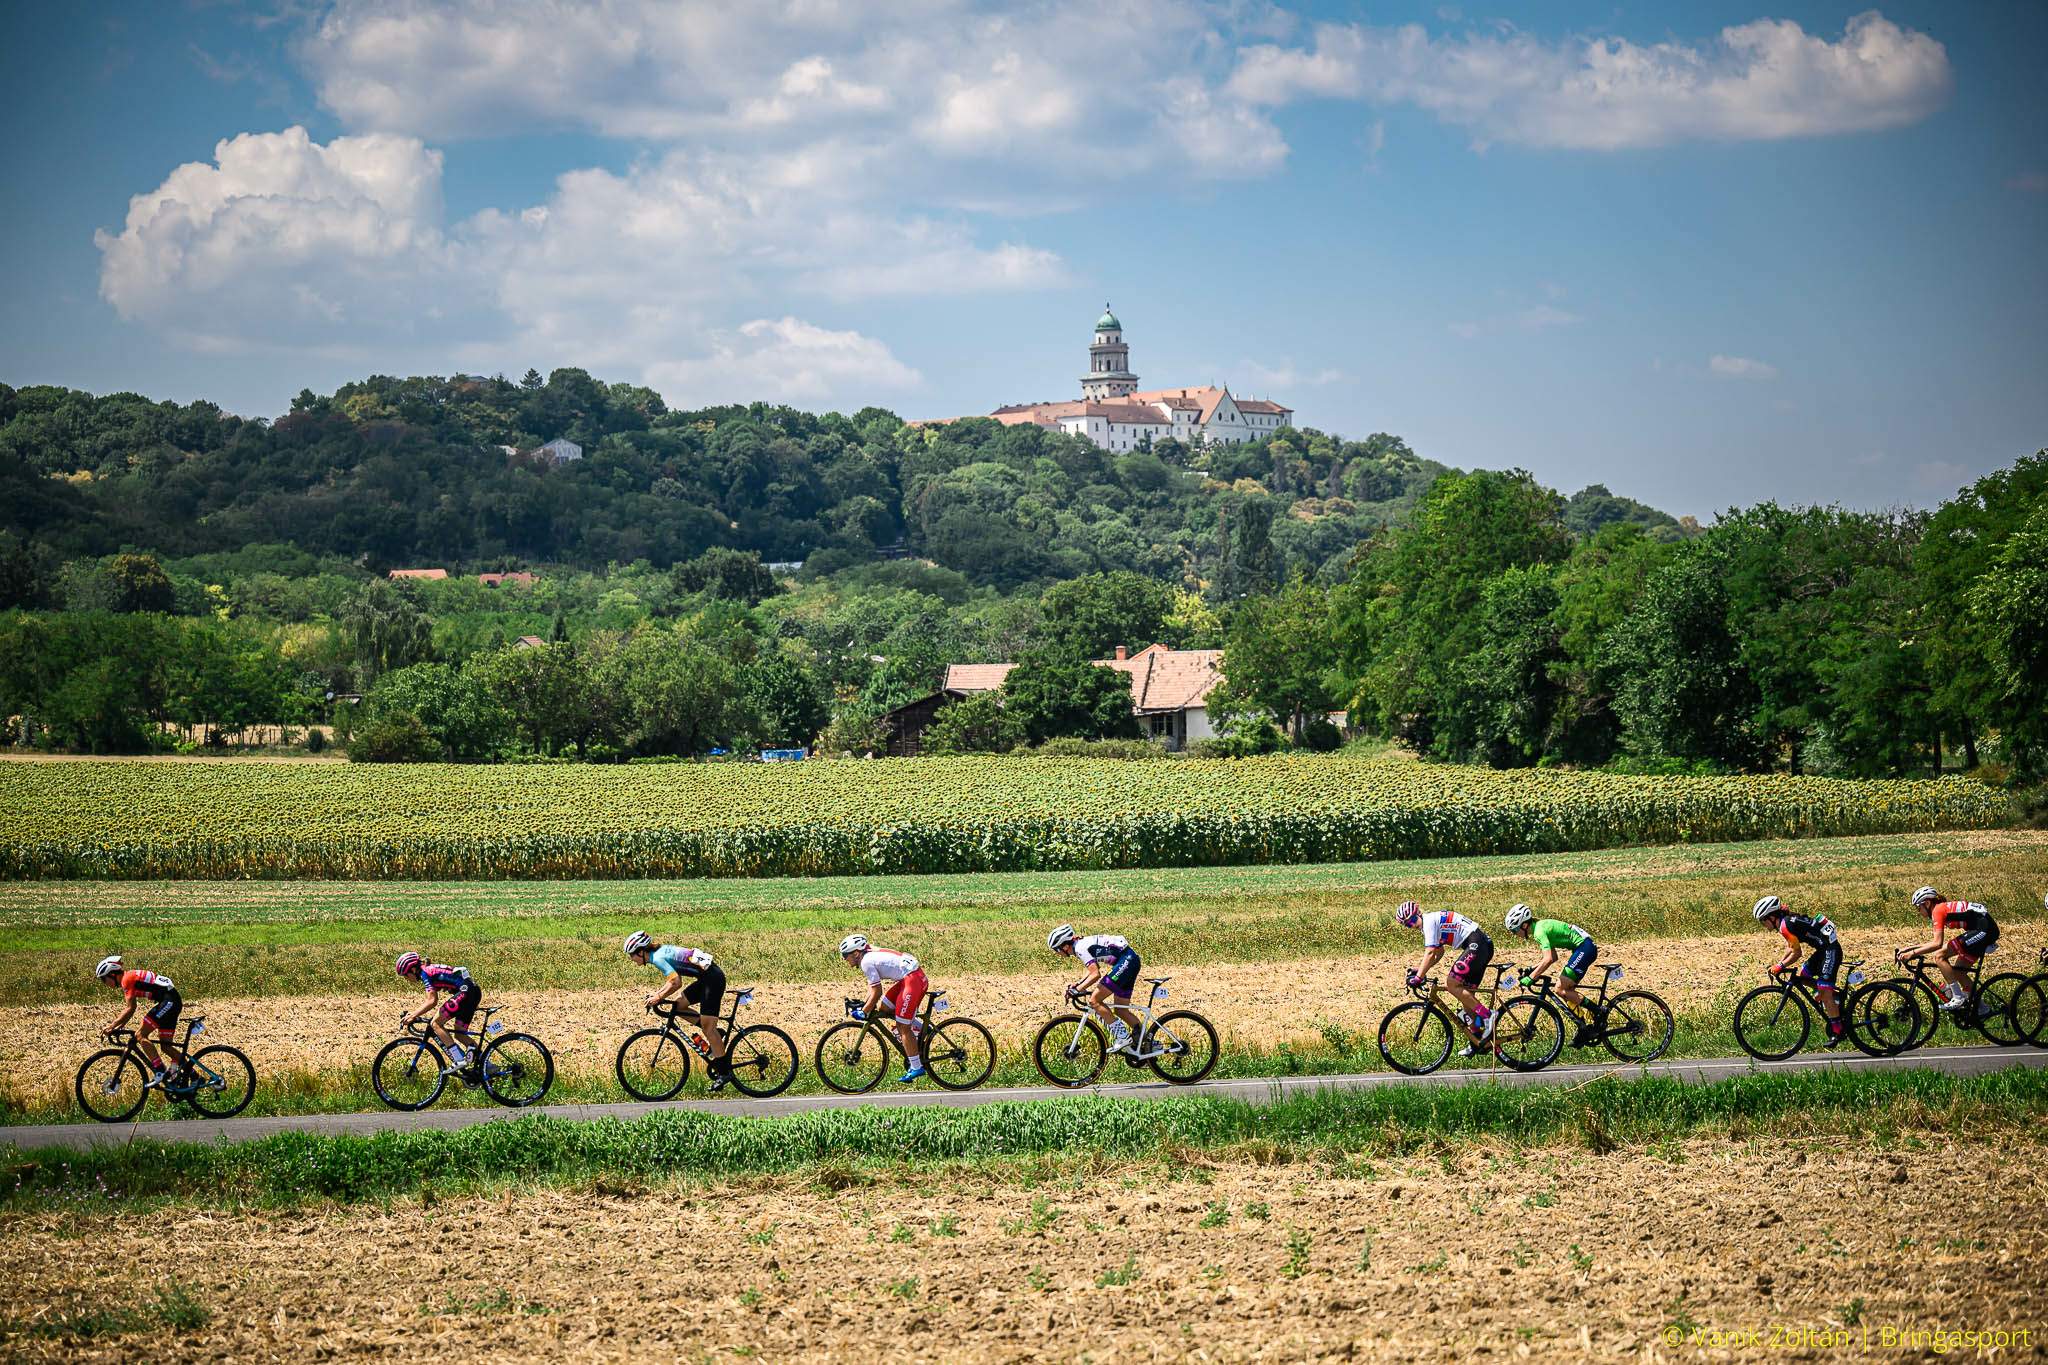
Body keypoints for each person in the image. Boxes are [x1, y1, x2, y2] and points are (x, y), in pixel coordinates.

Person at [624, 930, 732, 1088]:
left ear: (640, 952)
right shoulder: (657, 954)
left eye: (631, 955)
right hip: (706, 977)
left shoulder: (657, 958)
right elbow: (674, 980)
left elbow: (676, 982)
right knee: (679, 1005)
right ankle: (716, 1034)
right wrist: (658, 994)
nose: (631, 959)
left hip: (713, 980)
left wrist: (658, 997)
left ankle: (724, 1072)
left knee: (709, 1028)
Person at [1396, 900, 1495, 1049]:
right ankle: (1478, 1040)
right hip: (1481, 945)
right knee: (1465, 995)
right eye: (1408, 924)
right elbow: (1438, 953)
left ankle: (1488, 1016)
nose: (1413, 925)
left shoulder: (1429, 922)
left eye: (1413, 920)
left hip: (1476, 944)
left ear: (1419, 913)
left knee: (1452, 983)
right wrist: (1420, 969)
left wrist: (1418, 977)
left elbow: (1430, 953)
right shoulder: (1429, 923)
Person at [1752, 896, 1847, 1048]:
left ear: (1771, 917)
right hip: (1823, 950)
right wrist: (1779, 964)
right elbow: (1791, 947)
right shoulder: (1785, 923)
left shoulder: (1785, 925)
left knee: (1824, 990)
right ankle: (1833, 998)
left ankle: (1838, 1030)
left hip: (1830, 950)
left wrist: (1780, 966)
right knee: (1804, 976)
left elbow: (1797, 953)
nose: (1763, 925)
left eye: (1763, 921)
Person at [1046, 924, 1153, 1056]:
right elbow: (1092, 968)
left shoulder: (1079, 948)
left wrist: (1078, 989)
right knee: (1121, 1010)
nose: (1057, 953)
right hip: (1129, 960)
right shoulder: (1079, 945)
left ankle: (1123, 1037)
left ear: (1065, 946)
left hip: (1126, 961)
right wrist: (1078, 984)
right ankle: (1148, 1043)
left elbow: (1095, 974)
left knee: (1094, 1001)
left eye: (1056, 950)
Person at [1504, 904, 1599, 1043]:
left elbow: (1548, 959)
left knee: (1560, 989)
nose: (1514, 934)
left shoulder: (1539, 932)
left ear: (1524, 925)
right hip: (1584, 948)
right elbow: (1554, 957)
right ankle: (1584, 1027)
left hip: (1584, 948)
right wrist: (1532, 969)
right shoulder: (1540, 926)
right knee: (1567, 991)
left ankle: (1598, 1011)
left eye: (1514, 930)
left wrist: (1531, 977)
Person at [839, 934, 927, 1083]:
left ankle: (916, 1067)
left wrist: (864, 1011)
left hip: (913, 980)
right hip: (909, 977)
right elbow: (872, 988)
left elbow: (877, 992)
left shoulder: (865, 962)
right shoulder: (867, 954)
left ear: (856, 953)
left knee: (903, 1026)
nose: (844, 959)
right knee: (884, 1007)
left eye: (845, 955)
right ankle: (919, 1027)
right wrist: (865, 1004)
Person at [1899, 887, 1999, 1014]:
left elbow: (1937, 944)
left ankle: (1958, 997)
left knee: (1939, 956)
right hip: (1982, 929)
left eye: (1919, 908)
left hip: (1984, 930)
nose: (1918, 911)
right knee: (1958, 972)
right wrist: (1908, 949)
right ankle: (1983, 1009)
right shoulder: (1939, 909)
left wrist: (1912, 954)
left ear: (1927, 903)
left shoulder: (1937, 910)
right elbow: (1935, 942)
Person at [94, 955, 188, 1088]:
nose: (105, 984)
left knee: (140, 1035)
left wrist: (112, 1026)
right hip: (171, 1001)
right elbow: (130, 1010)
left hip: (168, 1002)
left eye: (104, 979)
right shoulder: (129, 976)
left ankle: (160, 1071)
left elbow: (130, 1008)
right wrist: (120, 1025)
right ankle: (196, 1077)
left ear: (112, 974)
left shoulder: (126, 980)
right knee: (166, 1047)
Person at [396, 951, 484, 1074]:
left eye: (406, 975)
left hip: (466, 992)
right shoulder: (428, 970)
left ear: (413, 969)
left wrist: (413, 1015)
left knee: (435, 1023)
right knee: (460, 1034)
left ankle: (458, 1059)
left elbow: (432, 1001)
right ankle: (487, 1066)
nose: (406, 979)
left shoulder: (425, 973)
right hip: (472, 992)